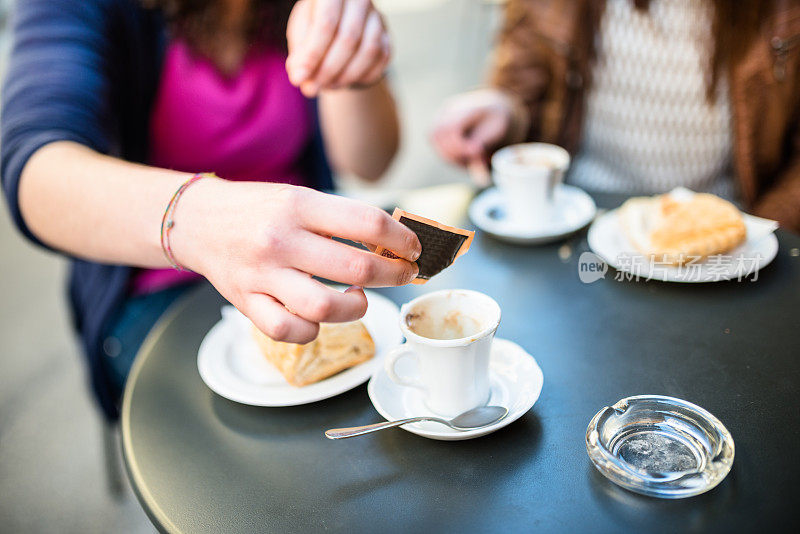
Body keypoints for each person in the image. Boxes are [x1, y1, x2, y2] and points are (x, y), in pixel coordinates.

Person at [0, 0, 421, 419]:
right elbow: (34, 167)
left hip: (307, 258)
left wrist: (355, 68)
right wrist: (196, 218)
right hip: (158, 284)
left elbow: (370, 162)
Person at [432, 0, 800, 233]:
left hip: (723, 225)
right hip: (578, 219)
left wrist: (762, 234)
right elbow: (521, 88)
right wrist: (501, 108)